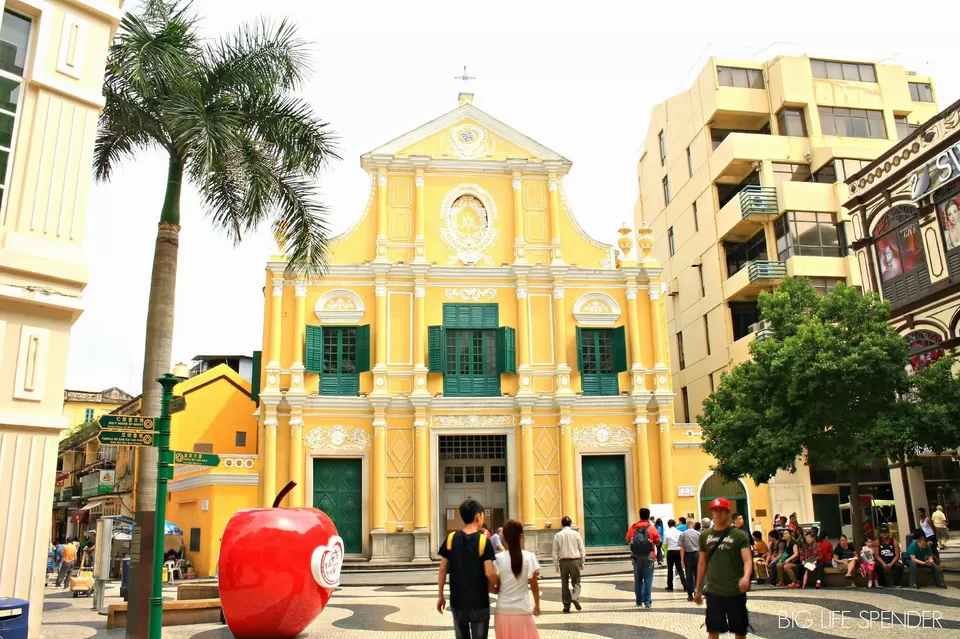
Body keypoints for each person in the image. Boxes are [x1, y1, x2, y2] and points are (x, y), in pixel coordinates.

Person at [437, 499, 500, 639]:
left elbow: (442, 569)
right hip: (479, 601)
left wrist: (440, 595)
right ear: (478, 516)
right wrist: (501, 585)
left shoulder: (451, 538)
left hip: (458, 601)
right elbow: (489, 572)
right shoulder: (483, 541)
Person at [694, 498, 752, 639]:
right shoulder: (705, 536)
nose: (717, 514)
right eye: (715, 510)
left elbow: (747, 559)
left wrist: (745, 577)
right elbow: (702, 563)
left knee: (739, 630)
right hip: (714, 591)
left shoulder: (739, 535)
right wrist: (698, 589)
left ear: (727, 513)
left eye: (721, 511)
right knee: (713, 629)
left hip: (734, 590)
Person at [493, 520, 541, 638]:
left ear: (504, 538)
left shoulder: (497, 559)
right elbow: (534, 586)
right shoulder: (530, 557)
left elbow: (493, 584)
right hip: (523, 610)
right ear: (521, 536)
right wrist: (537, 605)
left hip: (502, 611)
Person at [626, 507, 661, 608]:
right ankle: (647, 601)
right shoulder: (652, 528)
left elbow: (627, 539)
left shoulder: (633, 528)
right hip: (649, 556)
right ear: (648, 516)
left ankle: (638, 601)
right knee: (648, 579)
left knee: (638, 580)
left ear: (639, 515)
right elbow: (658, 541)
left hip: (636, 557)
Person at [551, 516, 584, 613]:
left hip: (563, 562)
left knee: (564, 583)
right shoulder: (576, 534)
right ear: (570, 523)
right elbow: (581, 549)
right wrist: (582, 562)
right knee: (576, 582)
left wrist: (556, 565)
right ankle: (575, 597)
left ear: (562, 524)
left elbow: (555, 551)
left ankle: (566, 605)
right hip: (575, 560)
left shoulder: (557, 535)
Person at [680, 521, 702, 601]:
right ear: (693, 524)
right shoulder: (698, 534)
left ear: (686, 525)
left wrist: (682, 560)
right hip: (697, 554)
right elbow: (701, 547)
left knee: (689, 575)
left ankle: (690, 594)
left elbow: (682, 548)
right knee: (697, 574)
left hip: (688, 555)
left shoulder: (683, 534)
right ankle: (697, 592)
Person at [663, 519, 686, 592]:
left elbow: (665, 543)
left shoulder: (666, 532)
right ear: (675, 524)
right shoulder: (679, 532)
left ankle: (670, 585)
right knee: (679, 568)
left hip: (670, 551)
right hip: (678, 551)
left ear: (668, 525)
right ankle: (685, 585)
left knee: (670, 569)